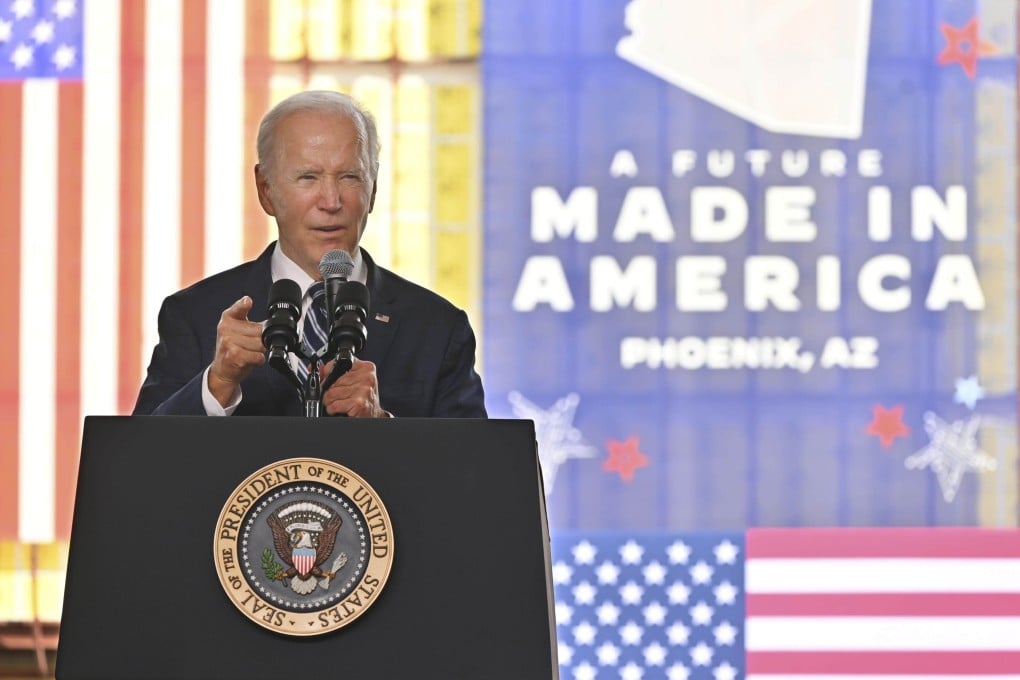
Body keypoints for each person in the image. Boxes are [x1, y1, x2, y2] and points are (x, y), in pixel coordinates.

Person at [133, 90, 487, 418]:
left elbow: (472, 464)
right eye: (308, 178)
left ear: (374, 187)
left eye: (349, 177)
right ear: (266, 190)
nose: (331, 201)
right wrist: (218, 384)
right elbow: (142, 457)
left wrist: (383, 426)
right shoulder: (194, 316)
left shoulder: (438, 329)